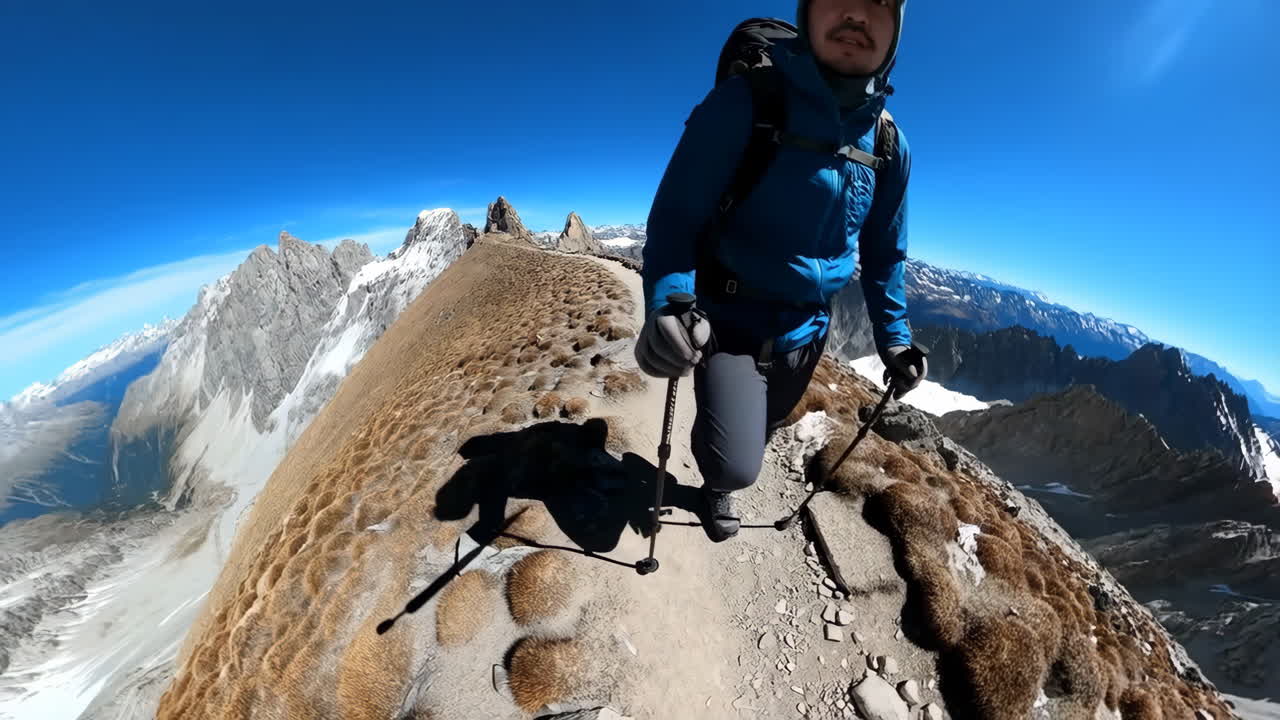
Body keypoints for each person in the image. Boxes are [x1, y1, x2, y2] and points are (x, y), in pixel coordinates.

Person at [635, 0, 927, 542]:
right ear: (808, 10)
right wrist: (668, 301)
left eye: (879, 3)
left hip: (807, 332)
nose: (856, 15)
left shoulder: (889, 145)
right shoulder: (744, 102)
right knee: (735, 465)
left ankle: (735, 428)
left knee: (770, 419)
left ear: (897, 30)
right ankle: (717, 479)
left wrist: (895, 340)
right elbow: (677, 218)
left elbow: (885, 252)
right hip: (729, 318)